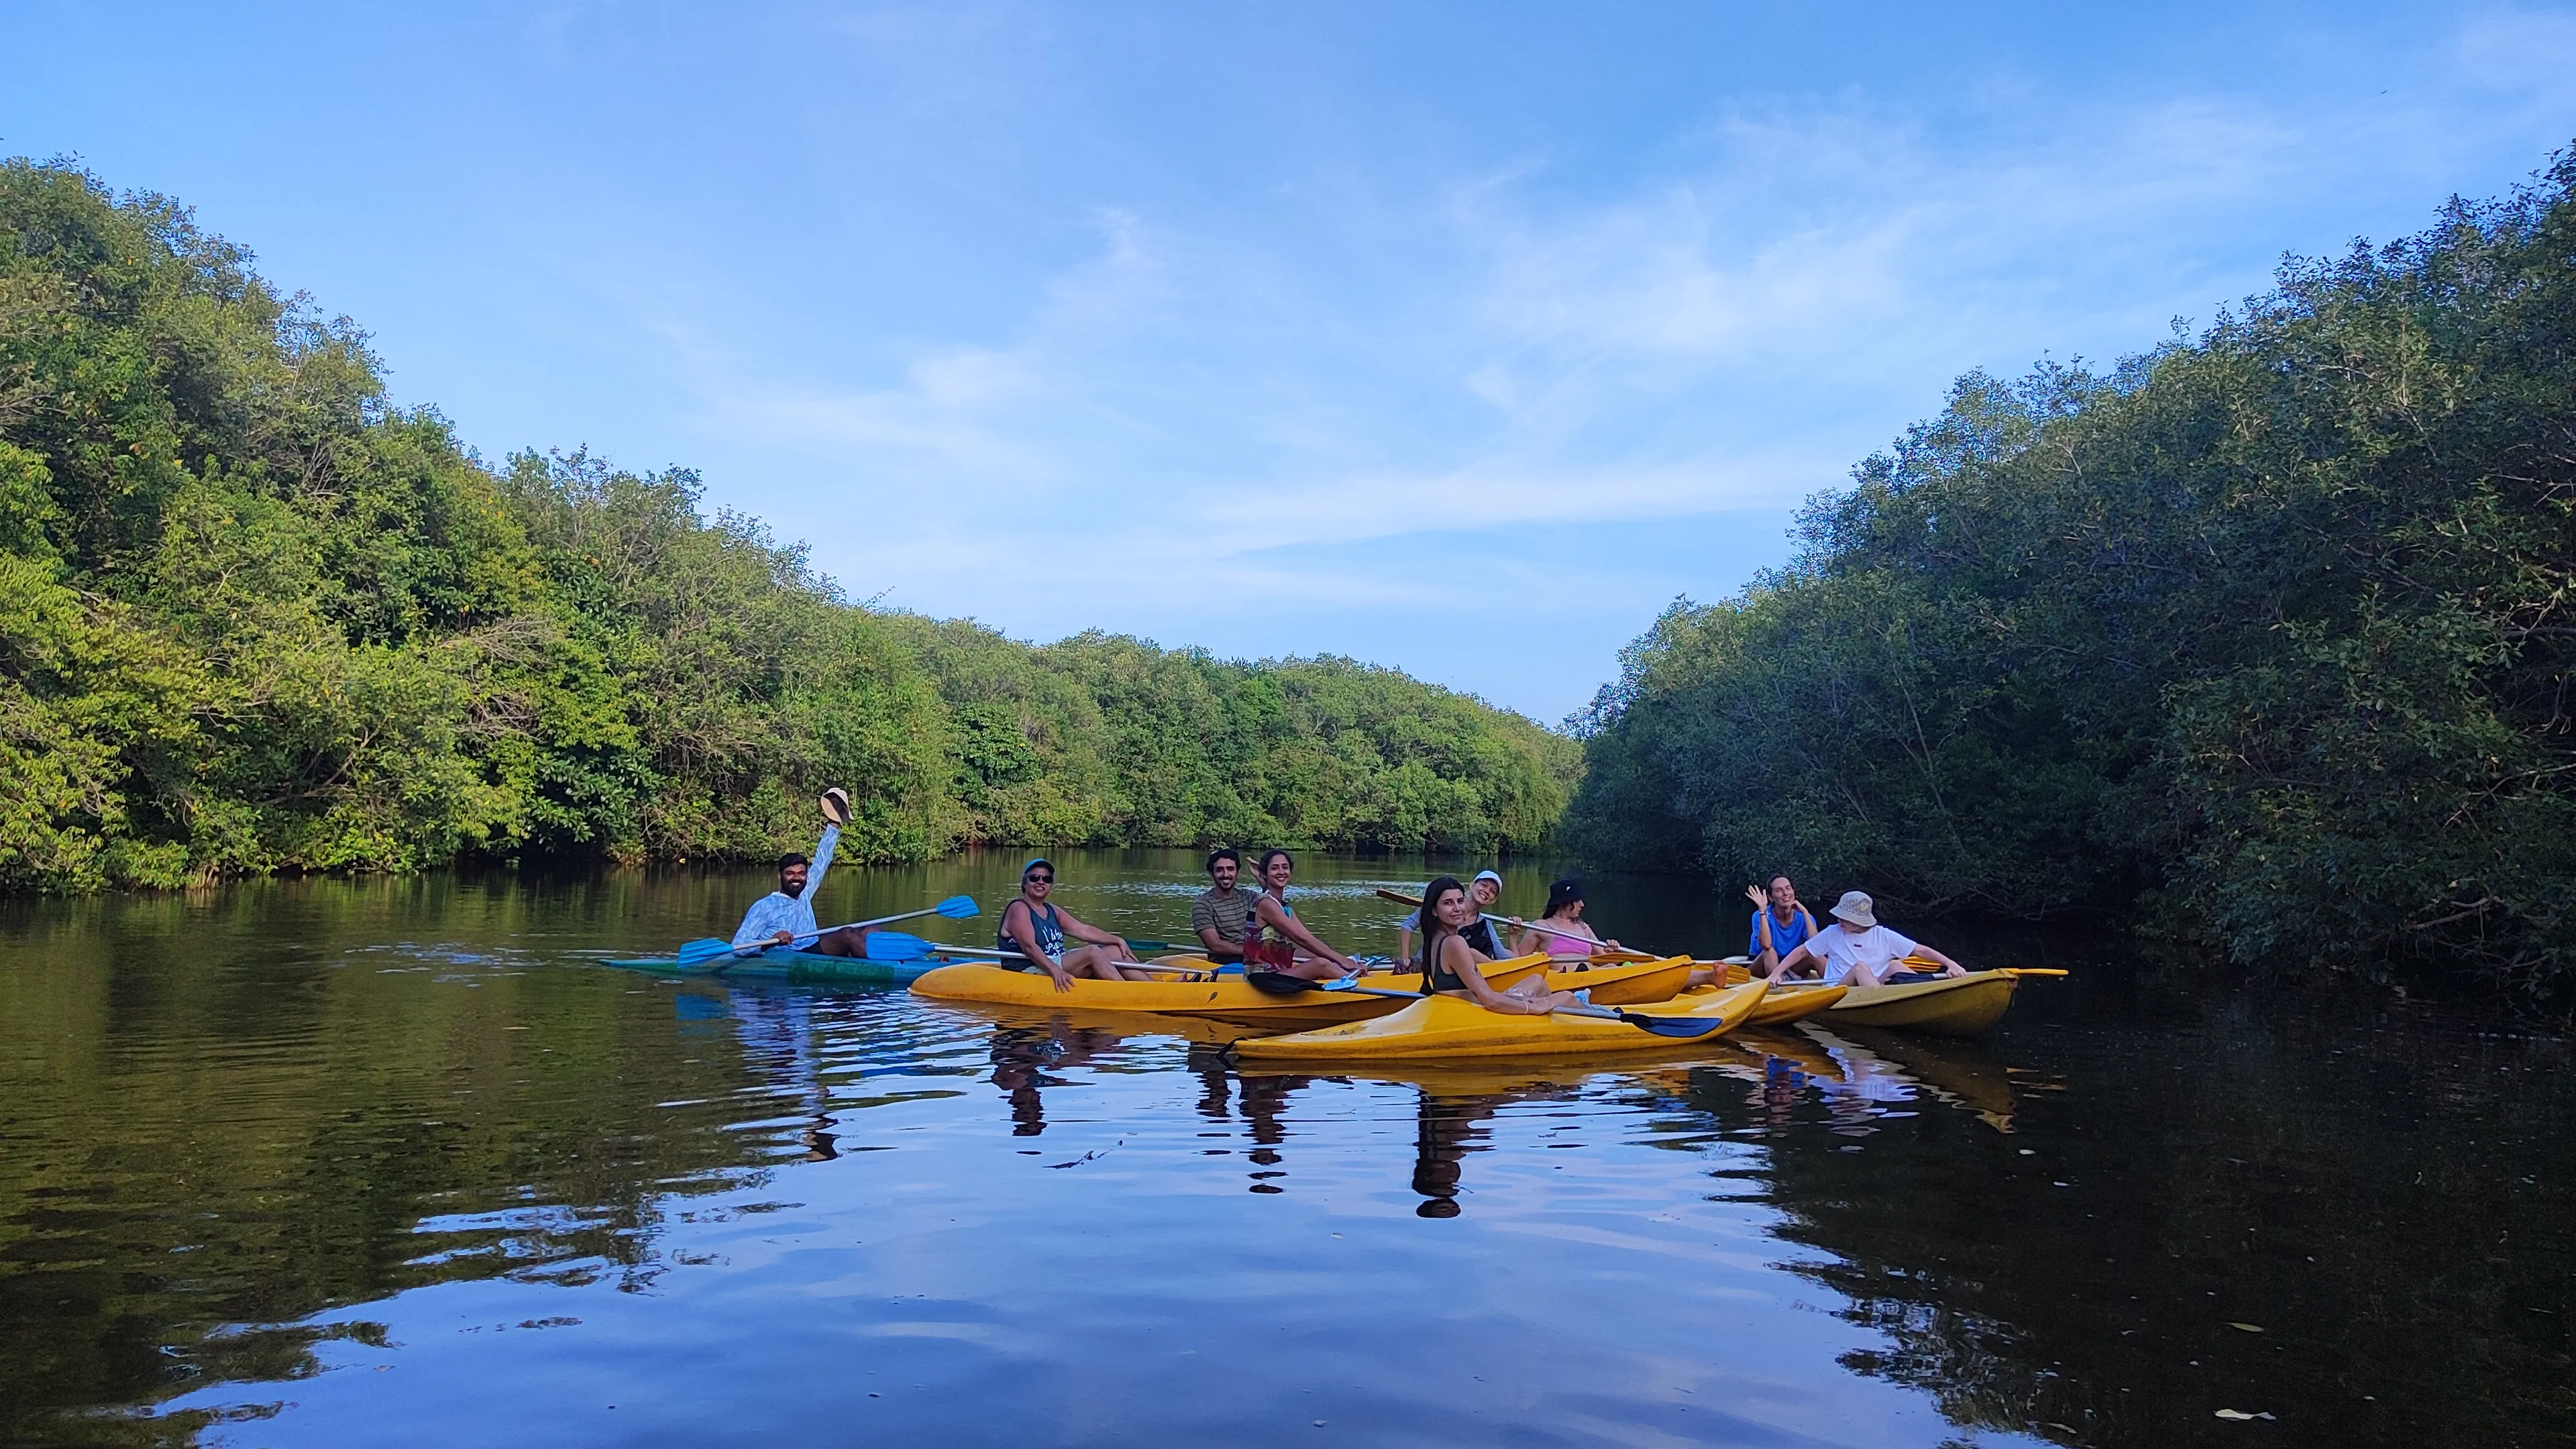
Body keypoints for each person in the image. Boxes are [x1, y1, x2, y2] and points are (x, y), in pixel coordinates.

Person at [730, 789, 884, 957]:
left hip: (813, 950)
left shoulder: (804, 893)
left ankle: (892, 963)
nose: (796, 878)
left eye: (801, 873)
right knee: (847, 934)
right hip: (792, 956)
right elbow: (739, 945)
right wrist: (770, 942)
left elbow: (822, 860)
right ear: (780, 876)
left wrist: (834, 823)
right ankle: (885, 970)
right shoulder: (764, 906)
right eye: (790, 873)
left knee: (872, 930)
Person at [1417, 875, 1582, 1015]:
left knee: (1536, 981)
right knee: (1566, 997)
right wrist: (1532, 1007)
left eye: (1460, 901)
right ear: (1434, 910)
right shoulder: (1455, 943)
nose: (1457, 908)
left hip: (1467, 1006)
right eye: (1448, 903)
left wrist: (1518, 999)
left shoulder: (1434, 937)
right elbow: (1490, 1001)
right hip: (1474, 1012)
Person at [999, 858, 1149, 991]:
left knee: (1115, 951)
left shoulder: (1050, 910)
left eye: (1047, 879)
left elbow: (1083, 931)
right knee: (1092, 952)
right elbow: (1029, 947)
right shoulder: (1019, 908)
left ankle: (1155, 988)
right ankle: (1128, 993)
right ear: (1025, 883)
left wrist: (1117, 940)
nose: (1041, 882)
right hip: (1030, 967)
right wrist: (1055, 971)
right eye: (1034, 878)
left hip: (1056, 959)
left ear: (1051, 885)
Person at [1772, 890, 1968, 987]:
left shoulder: (1884, 935)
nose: (1839, 919)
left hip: (1873, 987)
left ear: (1860, 921)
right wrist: (1776, 974)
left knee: (1896, 966)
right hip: (1840, 991)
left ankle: (1930, 992)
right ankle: (1886, 1001)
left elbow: (1921, 950)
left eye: (1845, 917)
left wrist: (1951, 964)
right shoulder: (1833, 932)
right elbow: (1801, 951)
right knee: (1860, 967)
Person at [1245, 849, 1366, 980]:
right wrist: (1343, 961)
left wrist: (1339, 960)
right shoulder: (1266, 904)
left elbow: (1307, 936)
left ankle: (1354, 977)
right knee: (1321, 964)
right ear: (1264, 874)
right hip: (1262, 977)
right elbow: (1300, 938)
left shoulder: (1285, 908)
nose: (1281, 872)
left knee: (1324, 957)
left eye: (1285, 867)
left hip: (1280, 972)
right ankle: (1367, 986)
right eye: (1275, 868)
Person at [1399, 869, 1506, 963]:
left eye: (1492, 891)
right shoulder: (1440, 907)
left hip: (1455, 972)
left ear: (1493, 900)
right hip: (1426, 966)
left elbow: (1504, 956)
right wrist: (1405, 959)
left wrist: (1513, 936)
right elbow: (1407, 926)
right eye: (1484, 885)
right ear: (1472, 885)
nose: (1487, 891)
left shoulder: (1486, 925)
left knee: (1472, 953)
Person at [1510, 878, 1623, 959]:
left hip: (1590, 974)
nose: (1582, 905)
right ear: (1564, 902)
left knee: (1611, 965)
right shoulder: (1541, 927)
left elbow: (1603, 957)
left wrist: (1610, 950)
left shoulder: (1582, 927)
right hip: (1563, 978)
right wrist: (1513, 936)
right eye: (1577, 900)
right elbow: (1518, 960)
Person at [1189, 847, 1258, 966]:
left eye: (1230, 869)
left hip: (1256, 958)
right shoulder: (1203, 904)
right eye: (1220, 870)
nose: (1226, 874)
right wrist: (1250, 952)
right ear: (1212, 874)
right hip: (1227, 962)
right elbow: (1215, 945)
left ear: (1238, 873)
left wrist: (1261, 877)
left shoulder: (1249, 897)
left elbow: (1277, 907)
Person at [1745, 875, 1819, 979]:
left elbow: (1816, 945)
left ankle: (1841, 986)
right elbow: (1766, 945)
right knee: (1770, 952)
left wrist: (1805, 912)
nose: (1785, 893)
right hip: (1761, 964)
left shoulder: (1804, 917)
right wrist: (1762, 911)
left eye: (1788, 888)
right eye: (1779, 891)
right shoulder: (1759, 915)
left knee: (1814, 954)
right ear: (1771, 897)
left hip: (1789, 965)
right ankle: (1780, 985)